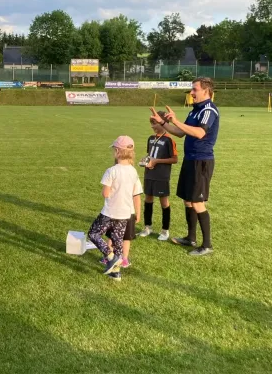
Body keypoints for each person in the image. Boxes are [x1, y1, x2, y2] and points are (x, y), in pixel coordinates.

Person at [150, 77, 220, 256]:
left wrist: (175, 121)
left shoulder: (208, 110)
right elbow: (181, 133)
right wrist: (163, 123)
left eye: (195, 89)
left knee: (197, 202)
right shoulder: (195, 111)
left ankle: (207, 245)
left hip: (201, 161)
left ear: (206, 91)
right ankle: (191, 238)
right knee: (188, 199)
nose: (191, 93)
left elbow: (199, 133)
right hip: (190, 160)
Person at [87, 136, 141, 280]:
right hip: (124, 214)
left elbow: (106, 193)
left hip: (110, 212)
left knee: (93, 234)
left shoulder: (111, 171)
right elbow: (135, 192)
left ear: (117, 151)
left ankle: (110, 256)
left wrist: (104, 191)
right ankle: (115, 273)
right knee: (118, 242)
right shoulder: (133, 172)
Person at [137, 111, 178, 241]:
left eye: (154, 123)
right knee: (148, 199)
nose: (152, 126)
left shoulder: (169, 140)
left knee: (163, 201)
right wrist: (145, 161)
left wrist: (157, 161)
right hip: (149, 174)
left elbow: (174, 159)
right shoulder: (150, 138)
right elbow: (150, 155)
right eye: (151, 123)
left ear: (162, 123)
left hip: (161, 176)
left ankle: (165, 230)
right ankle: (147, 227)